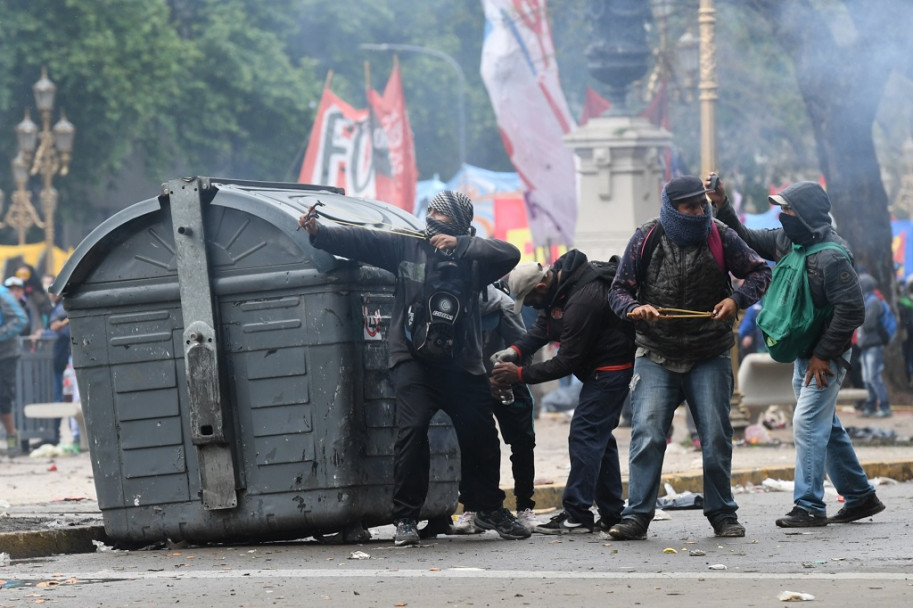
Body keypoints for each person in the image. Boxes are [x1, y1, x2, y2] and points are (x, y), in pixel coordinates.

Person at [299, 190, 530, 546]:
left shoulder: (474, 259)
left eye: (442, 212)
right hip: (413, 360)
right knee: (413, 430)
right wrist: (319, 232)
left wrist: (461, 244)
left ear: (457, 220)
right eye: (431, 210)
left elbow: (510, 253)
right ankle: (406, 517)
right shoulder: (406, 247)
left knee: (481, 435)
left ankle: (488, 508)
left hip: (463, 365)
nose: (433, 216)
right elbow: (362, 239)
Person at [709, 175, 886, 527]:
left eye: (788, 208)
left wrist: (823, 355)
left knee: (806, 423)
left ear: (804, 213)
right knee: (825, 425)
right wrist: (721, 204)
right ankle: (861, 496)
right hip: (804, 352)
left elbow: (852, 311)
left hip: (825, 357)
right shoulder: (789, 241)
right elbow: (746, 240)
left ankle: (808, 505)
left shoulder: (834, 257)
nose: (782, 215)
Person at [606, 175, 771, 540]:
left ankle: (723, 513)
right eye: (690, 207)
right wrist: (636, 308)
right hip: (655, 353)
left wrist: (736, 300)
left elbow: (761, 271)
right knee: (647, 433)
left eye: (702, 205)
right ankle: (637, 515)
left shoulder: (721, 235)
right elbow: (618, 291)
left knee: (715, 437)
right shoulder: (646, 237)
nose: (699, 212)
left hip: (709, 352)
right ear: (671, 208)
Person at [491, 251, 635, 535]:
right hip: (598, 370)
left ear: (540, 287)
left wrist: (518, 374)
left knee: (584, 433)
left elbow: (566, 361)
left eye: (529, 299)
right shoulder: (559, 290)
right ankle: (611, 513)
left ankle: (577, 514)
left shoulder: (582, 299)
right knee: (599, 439)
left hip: (610, 370)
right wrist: (516, 350)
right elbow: (542, 328)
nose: (531, 305)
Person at [448, 282, 537, 535]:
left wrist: (505, 375)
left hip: (507, 380)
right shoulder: (454, 306)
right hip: (473, 381)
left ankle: (524, 506)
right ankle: (472, 509)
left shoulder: (506, 307)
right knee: (473, 442)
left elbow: (524, 349)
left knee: (522, 442)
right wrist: (480, 381)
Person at [856, 274, 892, 418]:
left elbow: (868, 323)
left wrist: (857, 317)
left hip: (874, 345)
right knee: (866, 378)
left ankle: (884, 407)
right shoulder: (867, 301)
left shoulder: (873, 302)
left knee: (874, 377)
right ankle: (870, 406)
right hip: (866, 346)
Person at [0, 282, 28, 455]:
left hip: (6, 353)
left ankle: (12, 435)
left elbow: (21, 319)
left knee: (3, 396)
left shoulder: (3, 294)